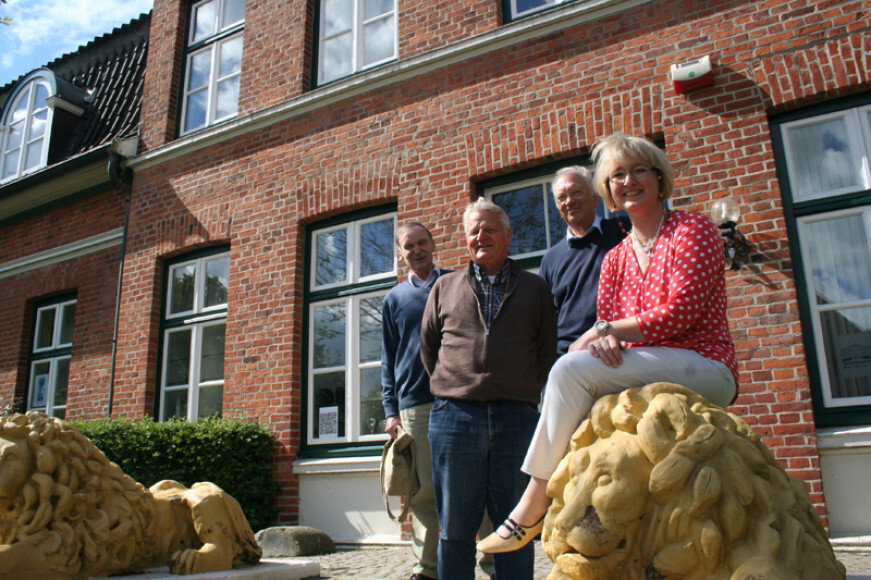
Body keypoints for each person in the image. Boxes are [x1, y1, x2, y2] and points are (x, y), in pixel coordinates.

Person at [477, 133, 739, 554]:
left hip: (704, 364)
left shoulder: (693, 229)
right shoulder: (615, 257)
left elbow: (679, 314)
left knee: (568, 369)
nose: (628, 181)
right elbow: (607, 324)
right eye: (617, 175)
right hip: (643, 366)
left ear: (659, 178)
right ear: (608, 189)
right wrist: (601, 340)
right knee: (571, 371)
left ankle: (533, 502)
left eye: (639, 170)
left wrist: (602, 334)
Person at [420, 199, 558, 580]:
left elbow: (547, 351)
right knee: (455, 528)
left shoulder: (535, 288)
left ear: (509, 236)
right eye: (474, 231)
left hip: (516, 418)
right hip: (454, 418)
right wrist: (458, 384)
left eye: (490, 229)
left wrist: (521, 388)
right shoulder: (444, 287)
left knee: (515, 526)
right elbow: (428, 349)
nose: (481, 237)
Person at [381, 222, 494, 580]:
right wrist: (391, 411)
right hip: (416, 404)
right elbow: (389, 357)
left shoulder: (461, 284)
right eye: (408, 246)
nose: (416, 250)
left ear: (433, 245)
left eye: (421, 243)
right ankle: (427, 570)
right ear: (400, 254)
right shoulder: (394, 299)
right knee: (425, 492)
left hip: (462, 399)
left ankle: (493, 563)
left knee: (478, 482)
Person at [540, 166, 628, 354]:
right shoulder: (550, 259)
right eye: (562, 197)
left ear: (595, 198)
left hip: (615, 343)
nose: (569, 201)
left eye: (577, 193)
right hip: (567, 354)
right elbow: (547, 321)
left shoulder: (623, 232)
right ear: (556, 205)